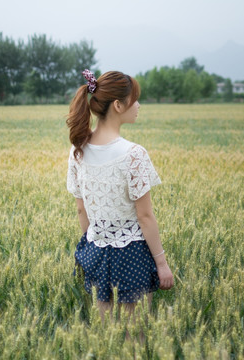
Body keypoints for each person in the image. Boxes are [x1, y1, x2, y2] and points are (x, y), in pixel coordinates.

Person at [65, 69, 174, 334]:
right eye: (134, 99)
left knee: (106, 336)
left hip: (95, 248)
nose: (138, 105)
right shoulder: (133, 154)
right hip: (132, 254)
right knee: (133, 338)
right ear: (118, 105)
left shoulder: (78, 149)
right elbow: (145, 217)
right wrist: (161, 263)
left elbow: (81, 208)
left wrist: (95, 245)